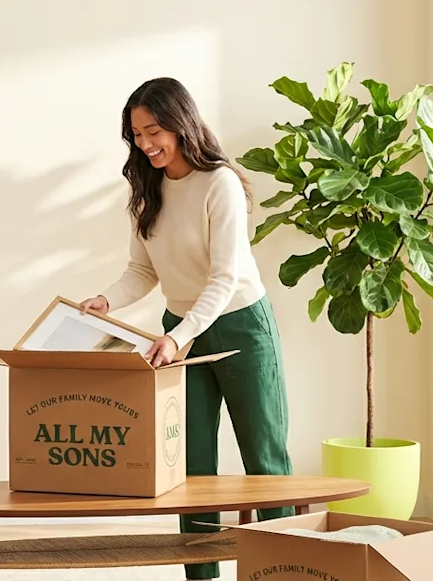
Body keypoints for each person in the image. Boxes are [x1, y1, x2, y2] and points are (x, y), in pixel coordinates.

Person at [78, 77, 293, 581]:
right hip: (179, 331)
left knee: (264, 458)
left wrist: (179, 336)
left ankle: (286, 571)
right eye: (136, 134)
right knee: (190, 465)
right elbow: (143, 271)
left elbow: (224, 279)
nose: (146, 144)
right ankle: (202, 576)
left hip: (240, 326)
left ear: (181, 123)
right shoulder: (146, 189)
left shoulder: (220, 184)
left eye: (154, 130)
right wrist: (106, 299)